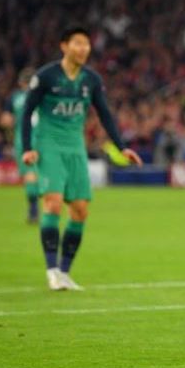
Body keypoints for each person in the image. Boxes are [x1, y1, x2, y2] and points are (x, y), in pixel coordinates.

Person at [21, 26, 143, 291]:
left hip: (76, 147)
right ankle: (52, 271)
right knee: (53, 203)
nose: (83, 48)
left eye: (86, 44)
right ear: (64, 46)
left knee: (80, 210)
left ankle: (65, 272)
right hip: (49, 144)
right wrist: (27, 148)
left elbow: (104, 113)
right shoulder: (45, 76)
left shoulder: (91, 79)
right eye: (77, 43)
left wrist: (121, 147)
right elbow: (27, 112)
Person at [0, 67, 40, 223]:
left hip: (23, 139)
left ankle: (33, 207)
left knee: (29, 173)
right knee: (42, 172)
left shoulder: (15, 97)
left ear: (21, 82)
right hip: (44, 138)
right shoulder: (43, 95)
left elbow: (6, 121)